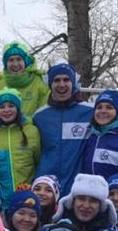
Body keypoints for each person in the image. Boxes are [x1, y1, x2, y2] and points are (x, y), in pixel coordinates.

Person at [33, 63, 92, 193]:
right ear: (50, 84)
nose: (61, 84)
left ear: (73, 83)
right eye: (56, 80)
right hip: (48, 190)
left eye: (66, 80)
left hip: (78, 188)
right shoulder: (40, 116)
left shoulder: (90, 112)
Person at [0, 87, 41, 205]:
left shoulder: (32, 131)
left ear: (18, 108)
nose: (6, 110)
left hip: (27, 200)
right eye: (2, 107)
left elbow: (39, 162)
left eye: (11, 106)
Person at [0, 41, 49, 119]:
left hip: (32, 129)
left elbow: (45, 112)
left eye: (19, 59)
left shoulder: (40, 82)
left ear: (25, 62)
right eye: (11, 60)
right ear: (6, 64)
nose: (15, 64)